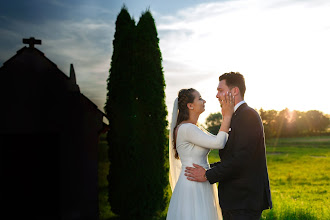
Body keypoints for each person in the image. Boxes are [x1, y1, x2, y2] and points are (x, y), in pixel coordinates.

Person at [185, 72, 272, 220]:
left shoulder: (248, 115)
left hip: (245, 202)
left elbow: (241, 159)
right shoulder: (232, 117)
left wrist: (207, 175)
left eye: (220, 90)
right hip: (233, 201)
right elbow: (230, 159)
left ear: (235, 91)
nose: (217, 95)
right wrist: (205, 168)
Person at [167, 88, 234, 220]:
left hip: (200, 179)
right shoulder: (187, 128)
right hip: (193, 185)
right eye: (200, 98)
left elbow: (220, 139)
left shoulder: (194, 127)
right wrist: (227, 116)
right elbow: (219, 143)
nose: (204, 101)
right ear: (190, 105)